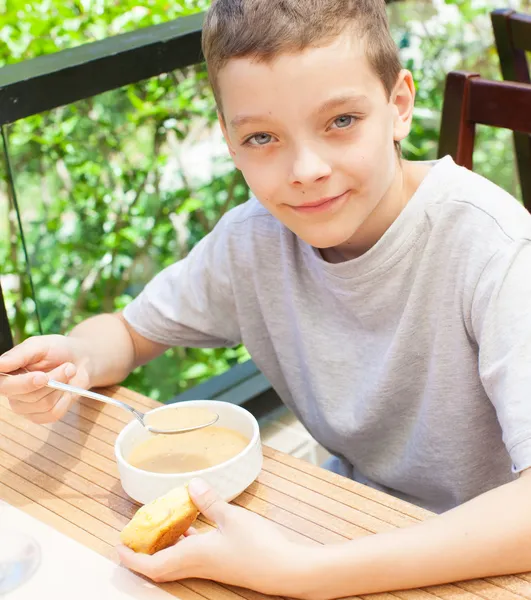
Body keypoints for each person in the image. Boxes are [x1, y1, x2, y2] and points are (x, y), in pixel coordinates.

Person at [2, 0, 531, 597]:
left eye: (341, 121)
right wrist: (74, 357)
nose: (306, 169)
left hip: (481, 560)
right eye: (262, 137)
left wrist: (304, 574)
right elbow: (126, 334)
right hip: (343, 518)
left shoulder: (496, 249)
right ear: (230, 142)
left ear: (398, 106)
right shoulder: (253, 239)